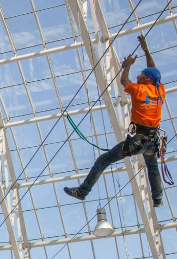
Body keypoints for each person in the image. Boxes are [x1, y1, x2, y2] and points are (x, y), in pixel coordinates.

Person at [64, 35, 166, 207]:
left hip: (137, 141)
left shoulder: (138, 90)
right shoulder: (159, 90)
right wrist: (146, 51)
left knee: (104, 160)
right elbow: (154, 71)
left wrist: (126, 66)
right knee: (152, 167)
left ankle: (83, 191)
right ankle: (157, 199)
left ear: (147, 79)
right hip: (152, 142)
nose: (138, 76)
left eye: (141, 75)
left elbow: (123, 81)